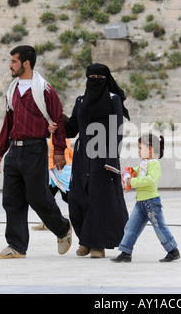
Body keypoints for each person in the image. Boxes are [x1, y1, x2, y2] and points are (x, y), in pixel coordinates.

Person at [0, 45, 72, 259]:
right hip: (14, 153)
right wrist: (0, 152)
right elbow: (7, 123)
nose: (10, 65)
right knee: (11, 200)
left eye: (14, 61)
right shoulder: (12, 90)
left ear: (26, 63)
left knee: (38, 198)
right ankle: (16, 247)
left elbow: (58, 120)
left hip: (35, 150)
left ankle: (63, 228)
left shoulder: (44, 89)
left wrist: (58, 150)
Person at [49, 63, 130, 258]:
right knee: (77, 198)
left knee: (99, 201)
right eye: (90, 77)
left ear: (106, 79)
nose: (94, 81)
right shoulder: (81, 100)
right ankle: (84, 240)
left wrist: (111, 160)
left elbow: (116, 130)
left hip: (103, 158)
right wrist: (58, 124)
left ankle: (98, 245)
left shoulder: (113, 100)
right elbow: (73, 128)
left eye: (98, 78)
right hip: (82, 157)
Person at [111, 133, 180, 263]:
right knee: (131, 226)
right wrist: (129, 172)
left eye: (140, 148)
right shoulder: (145, 163)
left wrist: (133, 181)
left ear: (149, 148)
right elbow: (137, 170)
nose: (138, 151)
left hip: (151, 202)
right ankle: (125, 252)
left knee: (159, 227)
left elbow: (150, 180)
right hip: (141, 202)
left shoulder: (154, 164)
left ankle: (172, 250)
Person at [32, 137, 73, 231]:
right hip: (55, 171)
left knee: (67, 197)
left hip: (61, 170)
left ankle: (81, 217)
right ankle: (46, 222)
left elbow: (66, 152)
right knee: (47, 196)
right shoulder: (56, 134)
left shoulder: (61, 136)